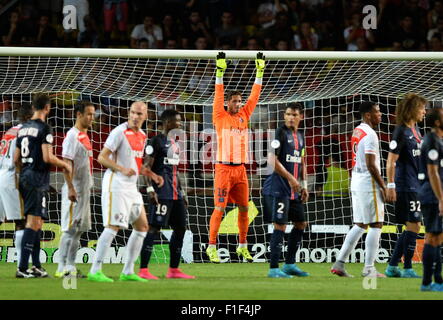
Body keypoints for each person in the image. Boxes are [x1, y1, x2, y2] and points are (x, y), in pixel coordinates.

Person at [205, 51, 265, 263]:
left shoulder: (244, 116)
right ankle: (211, 246)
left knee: (244, 208)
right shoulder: (219, 115)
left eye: (239, 101)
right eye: (234, 101)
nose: (238, 104)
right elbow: (218, 93)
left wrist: (260, 72)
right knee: (219, 208)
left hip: (241, 170)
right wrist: (219, 72)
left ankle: (242, 246)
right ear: (227, 103)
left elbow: (254, 96)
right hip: (223, 169)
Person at [87, 101, 149, 283]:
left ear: (145, 116)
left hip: (132, 187)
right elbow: (101, 157)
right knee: (113, 227)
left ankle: (128, 271)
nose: (135, 117)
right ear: (129, 113)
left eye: (139, 114)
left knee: (142, 226)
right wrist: (121, 169)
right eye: (133, 113)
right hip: (116, 185)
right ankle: (95, 270)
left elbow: (134, 163)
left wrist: (146, 172)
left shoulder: (143, 135)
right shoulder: (119, 132)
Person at [14, 93, 71, 278]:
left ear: (33, 107)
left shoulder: (22, 129)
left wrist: (25, 172)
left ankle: (37, 266)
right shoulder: (44, 128)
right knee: (33, 222)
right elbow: (47, 157)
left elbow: (16, 159)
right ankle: (22, 268)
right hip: (37, 177)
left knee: (38, 222)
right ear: (47, 108)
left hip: (24, 176)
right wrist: (64, 164)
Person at [331, 101, 386, 278]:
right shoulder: (370, 134)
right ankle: (369, 268)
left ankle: (339, 263)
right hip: (368, 182)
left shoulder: (358, 130)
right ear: (368, 115)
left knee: (360, 224)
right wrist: (383, 185)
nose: (381, 114)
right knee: (376, 223)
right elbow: (371, 164)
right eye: (377, 112)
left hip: (356, 178)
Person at [137, 109, 195, 280]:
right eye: (177, 120)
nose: (180, 123)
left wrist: (183, 192)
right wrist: (149, 189)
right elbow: (145, 168)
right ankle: (143, 270)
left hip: (175, 194)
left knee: (181, 228)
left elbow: (174, 171)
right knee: (154, 228)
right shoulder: (155, 141)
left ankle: (174, 270)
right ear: (168, 122)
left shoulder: (174, 144)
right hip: (161, 193)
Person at [262, 103, 309, 278]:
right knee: (280, 225)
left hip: (294, 189)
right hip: (279, 188)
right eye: (288, 114)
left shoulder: (301, 137)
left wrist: (303, 185)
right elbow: (271, 160)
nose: (290, 117)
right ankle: (274, 268)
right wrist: (291, 179)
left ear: (301, 117)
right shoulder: (280, 133)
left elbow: (301, 161)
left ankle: (289, 264)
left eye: (294, 114)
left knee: (300, 224)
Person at [384, 93, 427, 278]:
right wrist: (391, 184)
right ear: (412, 110)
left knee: (413, 226)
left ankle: (393, 266)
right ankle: (407, 267)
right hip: (405, 185)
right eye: (421, 108)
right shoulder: (400, 131)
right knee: (414, 224)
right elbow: (390, 161)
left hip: (416, 185)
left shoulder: (417, 131)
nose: (424, 111)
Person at [55, 101, 95, 278]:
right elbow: (66, 164)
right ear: (78, 114)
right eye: (88, 114)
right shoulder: (72, 136)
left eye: (93, 114)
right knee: (70, 229)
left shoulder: (84, 136)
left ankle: (70, 267)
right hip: (74, 190)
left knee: (78, 230)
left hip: (84, 190)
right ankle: (61, 267)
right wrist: (70, 187)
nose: (91, 118)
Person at [0, 103, 33, 271]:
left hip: (1, 174)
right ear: (28, 117)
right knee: (21, 221)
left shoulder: (9, 131)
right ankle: (22, 263)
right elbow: (17, 160)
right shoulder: (24, 132)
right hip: (13, 177)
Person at [418, 107, 443, 292]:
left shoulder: (438, 140)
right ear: (436, 122)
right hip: (433, 195)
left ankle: (436, 280)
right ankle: (428, 282)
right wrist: (441, 199)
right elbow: (433, 172)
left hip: (435, 195)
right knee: (433, 237)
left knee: (436, 237)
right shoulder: (432, 140)